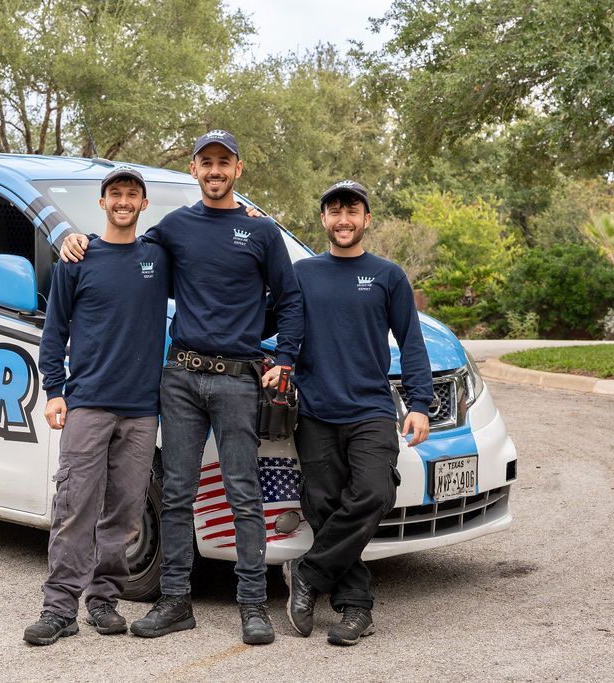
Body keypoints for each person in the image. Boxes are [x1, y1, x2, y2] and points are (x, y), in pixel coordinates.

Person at [61, 131, 304, 645]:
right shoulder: (173, 228)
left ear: (238, 169)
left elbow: (291, 301)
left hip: (239, 379)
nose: (215, 171)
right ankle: (175, 602)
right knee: (176, 495)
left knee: (243, 493)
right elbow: (122, 256)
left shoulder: (262, 233)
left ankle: (253, 606)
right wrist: (72, 238)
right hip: (180, 378)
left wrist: (283, 359)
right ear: (194, 170)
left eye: (224, 163)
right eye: (206, 162)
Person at [281, 180, 432, 646]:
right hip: (317, 411)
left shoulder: (387, 275)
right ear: (323, 219)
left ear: (367, 219)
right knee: (323, 505)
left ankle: (307, 574)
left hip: (370, 408)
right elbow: (272, 320)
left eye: (352, 210)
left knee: (373, 492)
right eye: (334, 211)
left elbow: (411, 341)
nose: (343, 219)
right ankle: (355, 607)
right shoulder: (303, 273)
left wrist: (421, 404)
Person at [24, 167, 170, 646]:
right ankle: (59, 608)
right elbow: (54, 331)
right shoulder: (76, 259)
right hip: (87, 404)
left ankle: (103, 599)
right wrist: (55, 392)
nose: (124, 201)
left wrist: (246, 218)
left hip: (142, 410)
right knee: (74, 507)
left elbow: (208, 247)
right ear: (103, 201)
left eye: (132, 194)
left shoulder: (158, 258)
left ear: (143, 205)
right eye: (116, 194)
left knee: (125, 512)